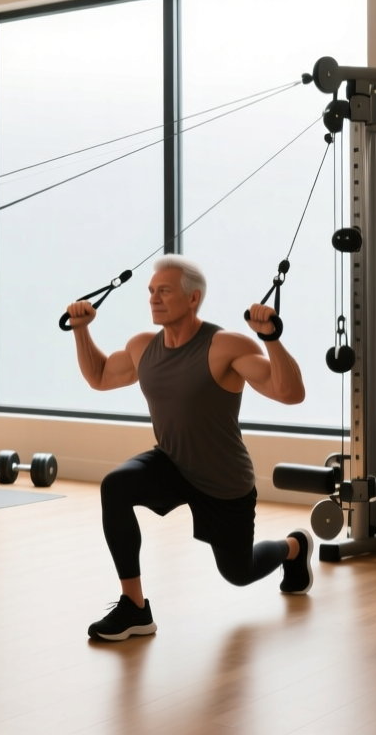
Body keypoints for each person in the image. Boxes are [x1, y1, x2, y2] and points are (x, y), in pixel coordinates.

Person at [65, 255, 312, 642]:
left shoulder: (226, 346)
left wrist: (271, 339)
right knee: (115, 486)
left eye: (164, 291)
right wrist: (81, 330)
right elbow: (99, 376)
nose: (153, 298)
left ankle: (294, 547)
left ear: (193, 298)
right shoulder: (143, 347)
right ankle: (134, 607)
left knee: (239, 572)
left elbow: (290, 393)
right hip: (171, 463)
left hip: (223, 479)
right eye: (151, 291)